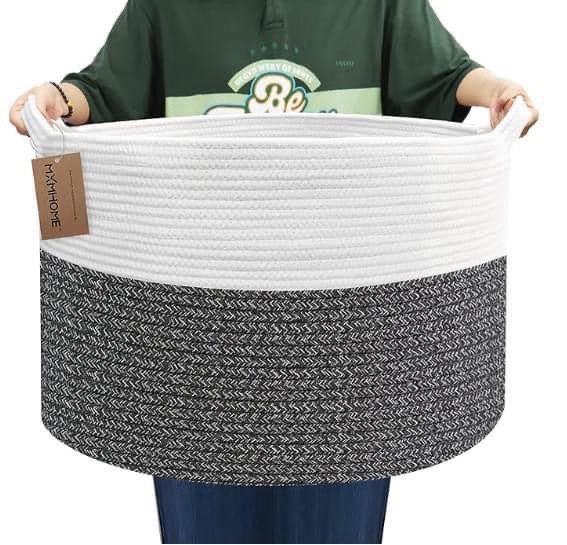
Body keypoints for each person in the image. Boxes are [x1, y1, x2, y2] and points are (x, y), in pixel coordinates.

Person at [9, 1, 539, 543]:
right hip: (195, 343)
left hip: (350, 345)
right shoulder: (165, 6)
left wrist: (498, 92)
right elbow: (102, 94)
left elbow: (446, 77)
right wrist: (59, 101)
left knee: (337, 524)